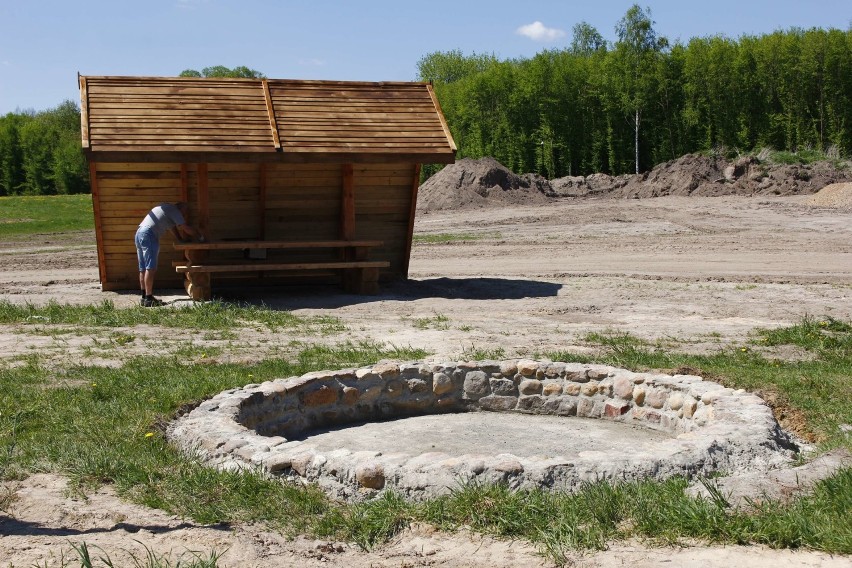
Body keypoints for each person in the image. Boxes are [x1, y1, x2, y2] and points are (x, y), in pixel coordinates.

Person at [135, 202, 201, 307]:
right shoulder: (175, 210)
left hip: (139, 233)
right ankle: (148, 298)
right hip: (149, 235)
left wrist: (180, 239)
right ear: (181, 209)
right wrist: (199, 235)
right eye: (185, 212)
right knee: (150, 268)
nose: (184, 215)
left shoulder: (167, 209)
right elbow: (185, 228)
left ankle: (144, 297)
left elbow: (172, 228)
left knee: (143, 268)